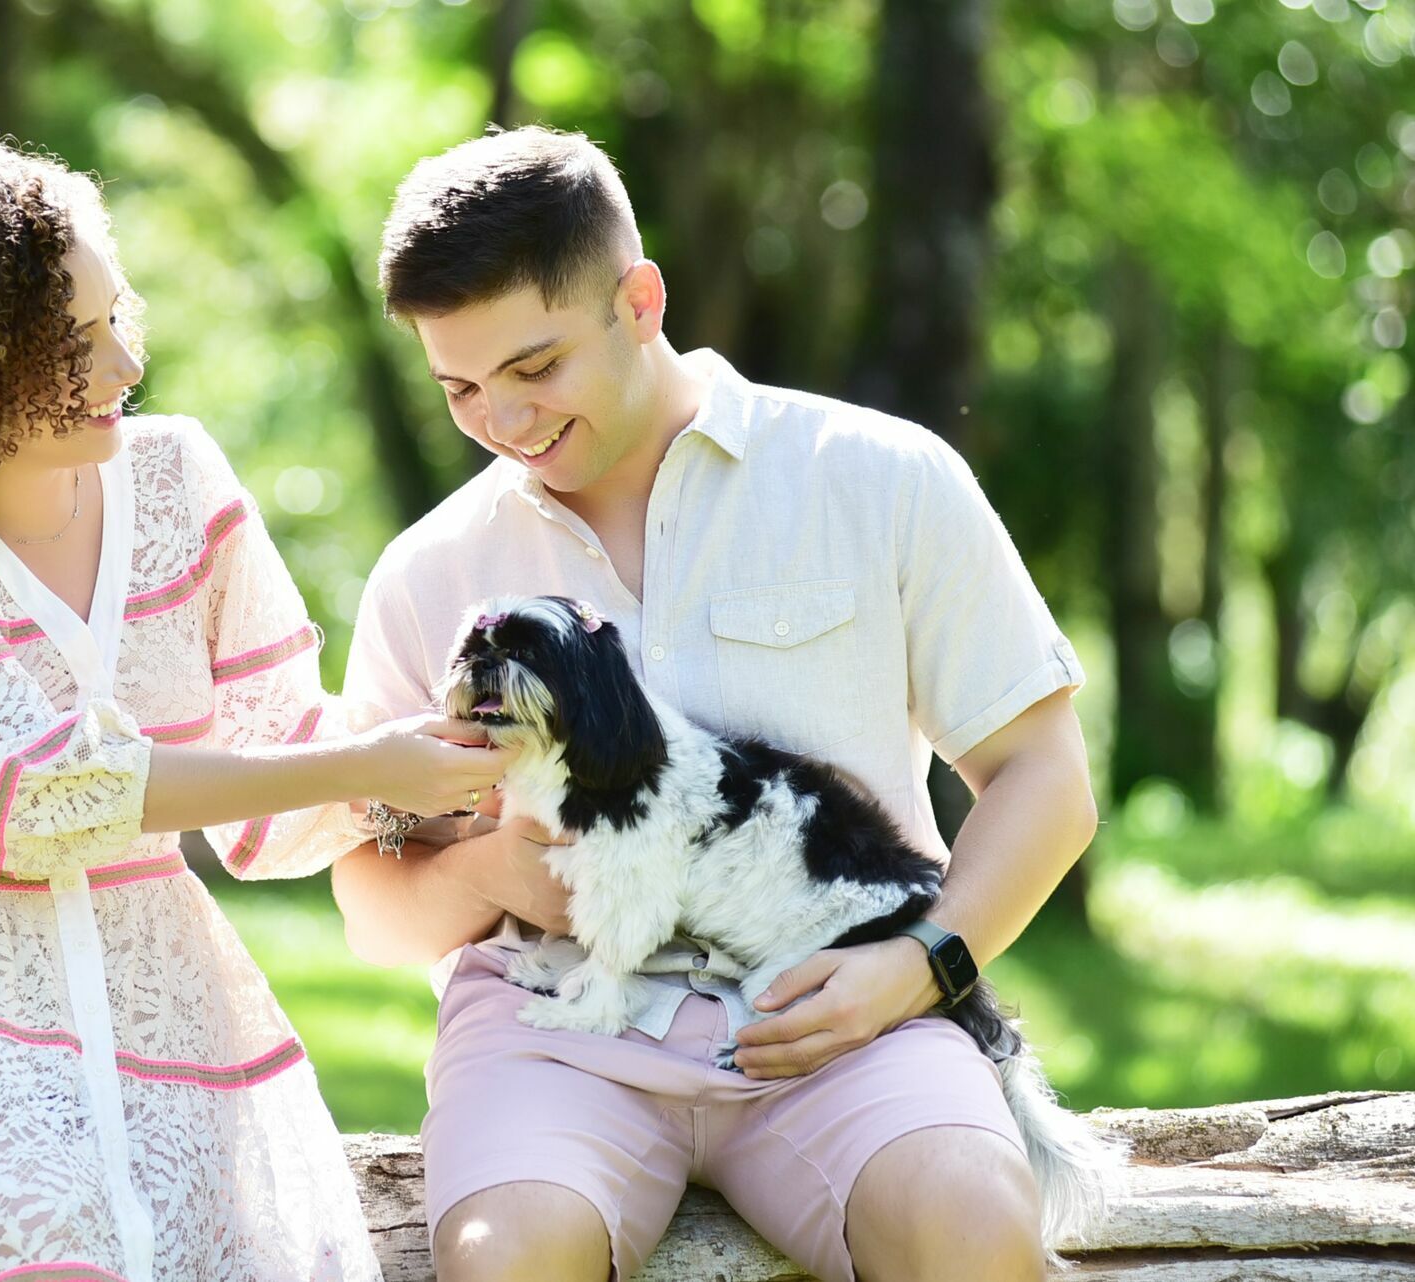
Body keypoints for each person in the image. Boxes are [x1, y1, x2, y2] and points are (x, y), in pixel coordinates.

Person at [333, 126, 1100, 1282]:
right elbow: (369, 903)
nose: (501, 420)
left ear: (637, 302)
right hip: (556, 1041)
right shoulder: (431, 571)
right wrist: (490, 876)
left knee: (971, 1227)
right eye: (459, 388)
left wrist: (924, 965)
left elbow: (1044, 776)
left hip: (848, 1016)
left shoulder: (879, 477)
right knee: (505, 1259)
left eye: (535, 368)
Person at [0, 136, 507, 1282]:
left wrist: (450, 781)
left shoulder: (180, 481)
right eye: (76, 344)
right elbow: (41, 799)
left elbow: (271, 794)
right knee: (53, 1243)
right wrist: (367, 768)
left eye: (120, 320)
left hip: (163, 1017)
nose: (122, 366)